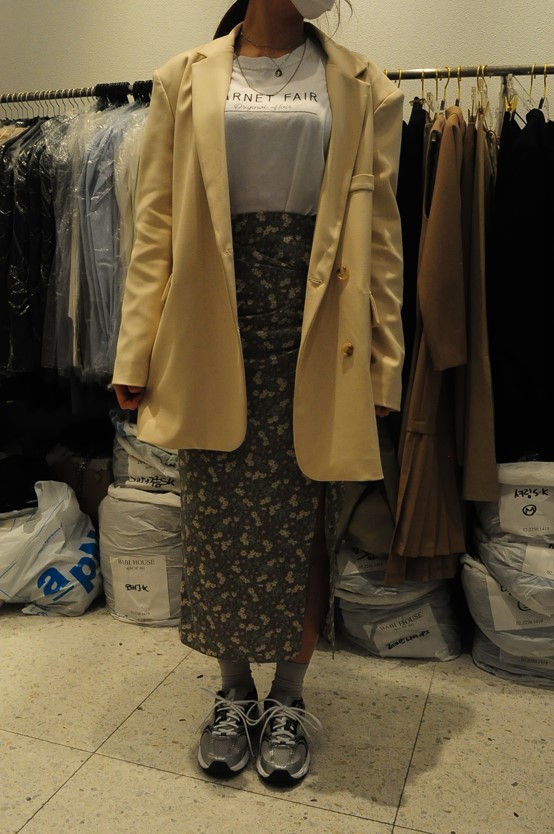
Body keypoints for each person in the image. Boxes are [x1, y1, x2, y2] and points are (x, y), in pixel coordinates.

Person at [112, 0, 404, 786]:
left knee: (304, 525)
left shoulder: (363, 84)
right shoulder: (184, 78)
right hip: (212, 326)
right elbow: (155, 225)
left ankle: (289, 699)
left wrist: (386, 360)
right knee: (216, 524)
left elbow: (382, 238)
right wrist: (134, 351)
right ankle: (234, 693)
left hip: (317, 330)